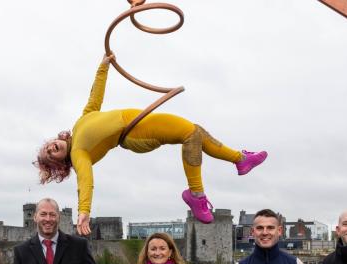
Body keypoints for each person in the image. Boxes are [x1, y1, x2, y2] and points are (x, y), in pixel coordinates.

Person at [35, 54, 268, 235]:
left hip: (140, 121)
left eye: (49, 145)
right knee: (190, 134)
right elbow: (85, 182)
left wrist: (104, 65)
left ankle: (240, 160)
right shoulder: (79, 155)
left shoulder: (80, 123)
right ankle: (196, 194)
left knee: (195, 132)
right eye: (50, 155)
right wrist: (84, 212)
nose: (51, 148)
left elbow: (95, 96)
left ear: (56, 138)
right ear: (59, 163)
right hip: (134, 134)